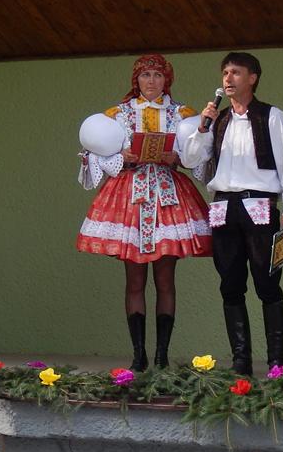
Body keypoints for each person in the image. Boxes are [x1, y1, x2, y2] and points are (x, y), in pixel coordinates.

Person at [76, 54, 213, 370]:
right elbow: (92, 152)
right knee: (134, 281)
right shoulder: (117, 114)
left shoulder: (183, 114)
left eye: (158, 75)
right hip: (130, 198)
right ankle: (139, 355)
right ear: (136, 80)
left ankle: (162, 355)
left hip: (168, 197)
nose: (151, 81)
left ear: (167, 80)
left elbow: (198, 153)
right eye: (145, 75)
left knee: (166, 280)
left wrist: (176, 158)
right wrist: (121, 156)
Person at [183, 52, 283, 376]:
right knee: (230, 284)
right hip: (223, 207)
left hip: (259, 204)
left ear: (252, 78)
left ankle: (276, 362)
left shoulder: (271, 116)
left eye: (235, 72)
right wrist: (202, 127)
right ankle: (240, 361)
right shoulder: (217, 119)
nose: (228, 78)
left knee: (267, 283)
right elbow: (191, 159)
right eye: (225, 73)